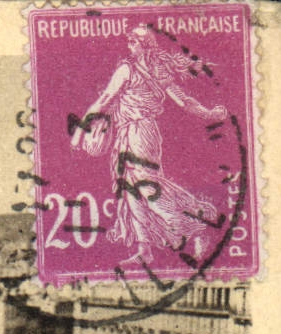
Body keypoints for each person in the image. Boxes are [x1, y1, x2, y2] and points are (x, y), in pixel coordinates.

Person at [74, 25, 230, 269]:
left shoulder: (135, 70)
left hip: (139, 133)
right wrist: (208, 112)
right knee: (129, 190)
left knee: (146, 187)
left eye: (133, 42)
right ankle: (144, 248)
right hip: (131, 133)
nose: (129, 47)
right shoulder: (144, 69)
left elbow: (105, 100)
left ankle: (195, 229)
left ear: (144, 44)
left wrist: (79, 132)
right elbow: (109, 99)